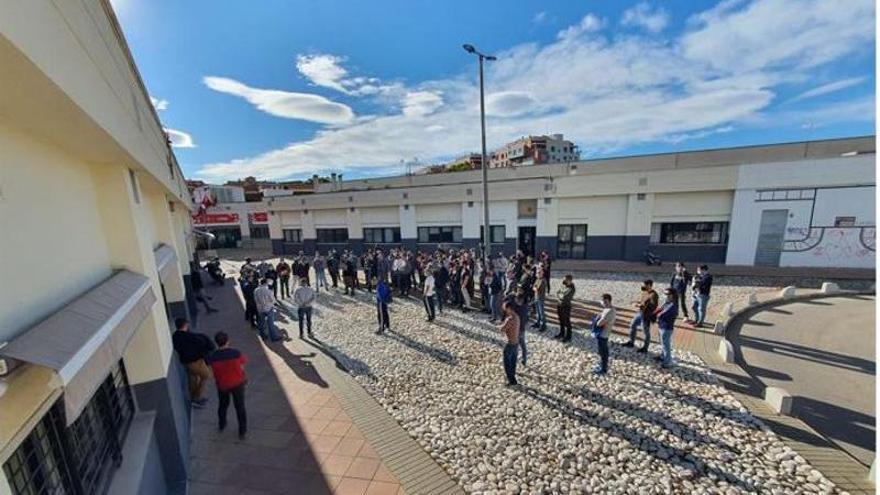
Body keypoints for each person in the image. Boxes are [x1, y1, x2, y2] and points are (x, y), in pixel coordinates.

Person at [206, 331, 248, 440]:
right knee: (240, 407)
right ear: (228, 341)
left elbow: (210, 373)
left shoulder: (212, 356)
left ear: (216, 343)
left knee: (223, 405)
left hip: (222, 385)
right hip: (237, 383)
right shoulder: (236, 353)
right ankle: (242, 431)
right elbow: (242, 367)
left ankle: (222, 424)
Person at [171, 318, 214, 408]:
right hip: (195, 361)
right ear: (185, 325)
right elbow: (202, 345)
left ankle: (193, 397)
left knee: (192, 379)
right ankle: (197, 397)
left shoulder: (175, 336)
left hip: (185, 361)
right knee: (206, 375)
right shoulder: (190, 336)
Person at [623, 279, 659, 353]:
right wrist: (637, 302)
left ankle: (645, 348)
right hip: (640, 313)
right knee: (632, 325)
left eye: (644, 285)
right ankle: (631, 342)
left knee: (646, 332)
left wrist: (640, 306)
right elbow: (643, 301)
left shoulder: (654, 295)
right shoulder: (644, 292)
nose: (643, 286)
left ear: (649, 285)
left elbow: (653, 307)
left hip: (646, 315)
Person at [590, 294, 616, 375]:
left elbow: (599, 323)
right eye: (603, 301)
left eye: (605, 301)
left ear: (609, 300)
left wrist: (597, 321)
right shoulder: (608, 309)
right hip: (603, 333)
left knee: (603, 351)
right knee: (602, 350)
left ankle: (603, 369)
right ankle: (602, 364)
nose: (603, 303)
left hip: (603, 334)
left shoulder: (609, 311)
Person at [653, 288, 679, 368]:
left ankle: (668, 361)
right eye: (665, 294)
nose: (665, 296)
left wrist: (657, 314)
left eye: (667, 294)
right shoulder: (667, 303)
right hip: (661, 326)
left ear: (672, 295)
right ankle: (662, 356)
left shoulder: (672, 305)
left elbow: (661, 314)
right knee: (663, 343)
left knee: (666, 345)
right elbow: (659, 310)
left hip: (666, 328)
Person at [497, 301, 520, 386]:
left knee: (507, 363)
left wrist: (498, 326)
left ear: (509, 308)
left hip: (509, 343)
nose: (504, 310)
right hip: (516, 343)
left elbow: (503, 329)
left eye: (505, 308)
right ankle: (513, 377)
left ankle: (511, 380)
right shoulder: (517, 317)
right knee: (513, 362)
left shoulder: (509, 319)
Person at [555, 275, 576, 342]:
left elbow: (565, 297)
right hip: (559, 305)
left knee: (567, 322)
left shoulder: (572, 288)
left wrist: (560, 296)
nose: (563, 281)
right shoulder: (563, 285)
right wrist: (560, 296)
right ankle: (562, 333)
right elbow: (557, 293)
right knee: (561, 320)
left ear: (569, 280)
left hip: (566, 306)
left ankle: (568, 336)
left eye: (565, 280)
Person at [513, 291, 529, 366]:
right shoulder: (525, 306)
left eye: (516, 298)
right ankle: (524, 359)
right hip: (522, 329)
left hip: (517, 329)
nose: (515, 299)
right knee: (523, 345)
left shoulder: (517, 309)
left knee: (515, 346)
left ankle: (514, 361)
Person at [532, 267, 547, 332]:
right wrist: (535, 288)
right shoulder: (537, 279)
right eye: (537, 272)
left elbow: (537, 289)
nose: (537, 274)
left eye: (539, 272)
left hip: (540, 298)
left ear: (542, 273)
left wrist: (535, 288)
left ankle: (543, 325)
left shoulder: (543, 280)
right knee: (538, 311)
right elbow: (534, 287)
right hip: (536, 297)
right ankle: (537, 323)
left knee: (541, 312)